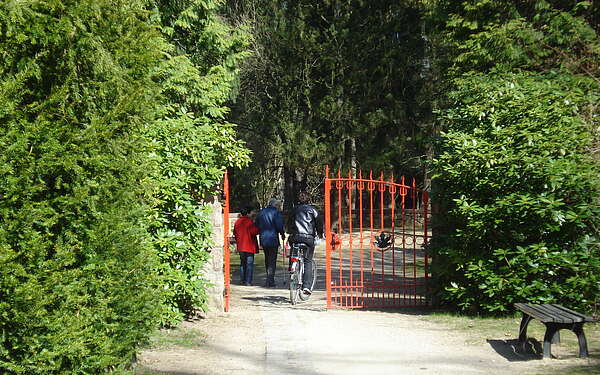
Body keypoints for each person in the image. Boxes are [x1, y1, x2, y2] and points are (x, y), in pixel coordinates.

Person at [288, 191, 323, 295]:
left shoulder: (294, 210)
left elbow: (289, 223)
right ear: (309, 200)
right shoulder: (313, 210)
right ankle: (306, 286)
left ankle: (292, 268)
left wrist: (290, 231)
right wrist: (320, 234)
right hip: (308, 238)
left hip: (295, 237)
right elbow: (319, 224)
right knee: (308, 261)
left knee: (293, 250)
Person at [255, 198, 285, 287]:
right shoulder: (276, 213)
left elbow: (256, 224)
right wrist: (282, 233)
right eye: (278, 205)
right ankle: (270, 280)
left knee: (267, 258)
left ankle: (269, 278)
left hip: (263, 238)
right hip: (273, 238)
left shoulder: (262, 212)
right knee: (272, 259)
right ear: (275, 205)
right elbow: (279, 225)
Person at [233, 206, 260, 286]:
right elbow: (254, 232)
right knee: (249, 264)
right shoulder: (249, 221)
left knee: (242, 263)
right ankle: (248, 281)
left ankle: (242, 280)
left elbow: (235, 232)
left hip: (241, 245)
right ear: (248, 213)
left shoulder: (238, 221)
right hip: (249, 246)